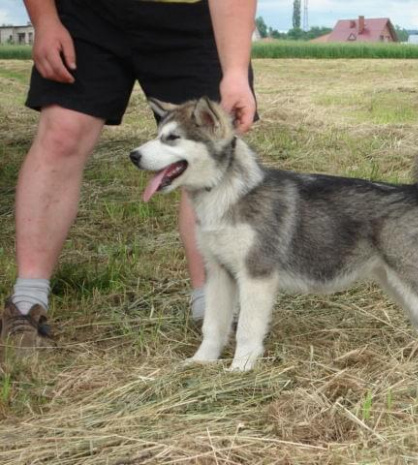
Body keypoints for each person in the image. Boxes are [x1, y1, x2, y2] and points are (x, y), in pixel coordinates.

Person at [0, 0, 258, 354]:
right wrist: (44, 20)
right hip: (89, 14)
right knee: (62, 133)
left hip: (191, 18)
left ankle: (213, 305)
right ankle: (26, 303)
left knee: (204, 152)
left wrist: (235, 70)